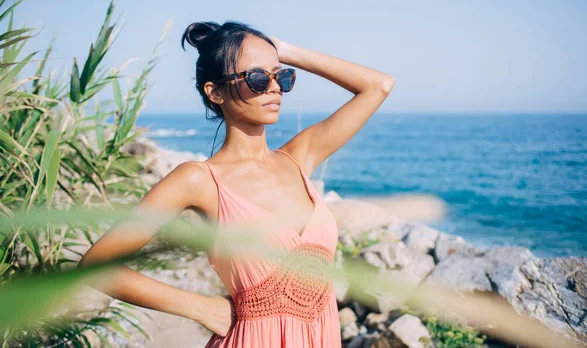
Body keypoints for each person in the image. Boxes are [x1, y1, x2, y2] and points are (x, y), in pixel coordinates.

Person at [79, 21, 394, 347]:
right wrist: (200, 307)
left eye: (281, 76)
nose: (273, 88)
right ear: (215, 92)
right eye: (257, 78)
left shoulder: (299, 158)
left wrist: (282, 50)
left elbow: (378, 86)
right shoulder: (198, 180)